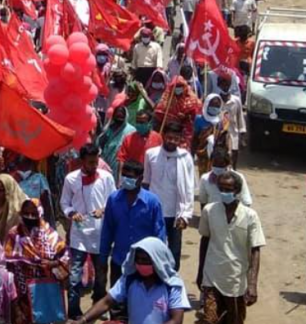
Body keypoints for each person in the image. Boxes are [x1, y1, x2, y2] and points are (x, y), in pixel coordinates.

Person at [197, 171, 265, 324]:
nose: (224, 193)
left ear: (237, 191)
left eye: (228, 190)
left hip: (236, 279)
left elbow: (255, 250)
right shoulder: (209, 210)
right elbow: (205, 240)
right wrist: (200, 271)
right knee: (210, 319)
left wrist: (253, 284)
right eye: (221, 189)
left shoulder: (250, 216)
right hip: (212, 275)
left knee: (234, 320)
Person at [77, 237, 191, 324]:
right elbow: (107, 302)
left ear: (157, 262)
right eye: (138, 259)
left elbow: (176, 320)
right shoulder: (129, 280)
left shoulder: (172, 285)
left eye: (145, 260)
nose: (141, 263)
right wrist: (83, 320)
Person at [61, 144, 115, 318]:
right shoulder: (71, 179)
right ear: (82, 161)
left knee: (100, 275)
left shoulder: (106, 178)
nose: (94, 165)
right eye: (90, 162)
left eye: (96, 162)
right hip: (79, 236)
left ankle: (98, 306)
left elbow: (113, 200)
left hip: (100, 235)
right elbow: (64, 203)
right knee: (75, 277)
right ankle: (74, 311)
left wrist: (103, 209)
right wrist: (72, 213)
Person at [100, 161, 166, 286]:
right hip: (119, 261)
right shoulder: (113, 200)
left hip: (143, 264)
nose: (125, 179)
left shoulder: (152, 202)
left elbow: (159, 234)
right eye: (123, 175)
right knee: (117, 302)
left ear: (140, 178)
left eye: (130, 177)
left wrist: (159, 262)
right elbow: (107, 231)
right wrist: (103, 258)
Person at [4, 199, 68, 324]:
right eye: (26, 213)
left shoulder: (51, 235)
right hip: (22, 289)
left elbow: (65, 257)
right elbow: (7, 262)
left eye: (33, 214)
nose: (29, 217)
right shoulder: (14, 234)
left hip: (46, 287)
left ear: (40, 214)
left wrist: (52, 264)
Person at [143, 122, 196, 271]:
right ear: (163, 136)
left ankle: (171, 283)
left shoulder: (185, 158)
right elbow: (146, 183)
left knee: (174, 252)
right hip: (154, 211)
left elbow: (189, 188)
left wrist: (185, 215)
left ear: (180, 140)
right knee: (152, 248)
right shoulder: (151, 154)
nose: (172, 141)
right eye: (169, 137)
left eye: (176, 138)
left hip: (175, 214)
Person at [153, 76, 201, 146]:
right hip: (167, 131)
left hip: (184, 132)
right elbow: (159, 114)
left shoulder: (191, 99)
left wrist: (185, 117)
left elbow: (194, 116)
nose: (178, 88)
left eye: (180, 86)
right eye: (176, 86)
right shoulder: (167, 98)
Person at [216, 71, 246, 168]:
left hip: (233, 134)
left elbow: (240, 118)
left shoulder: (236, 100)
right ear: (218, 85)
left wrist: (242, 136)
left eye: (227, 84)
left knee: (233, 159)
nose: (225, 86)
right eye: (222, 84)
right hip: (218, 135)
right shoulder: (215, 100)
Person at [98, 106, 136, 179]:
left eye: (121, 114)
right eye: (117, 114)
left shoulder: (131, 130)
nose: (119, 115)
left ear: (125, 116)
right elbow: (100, 143)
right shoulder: (108, 128)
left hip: (121, 163)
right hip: (106, 161)